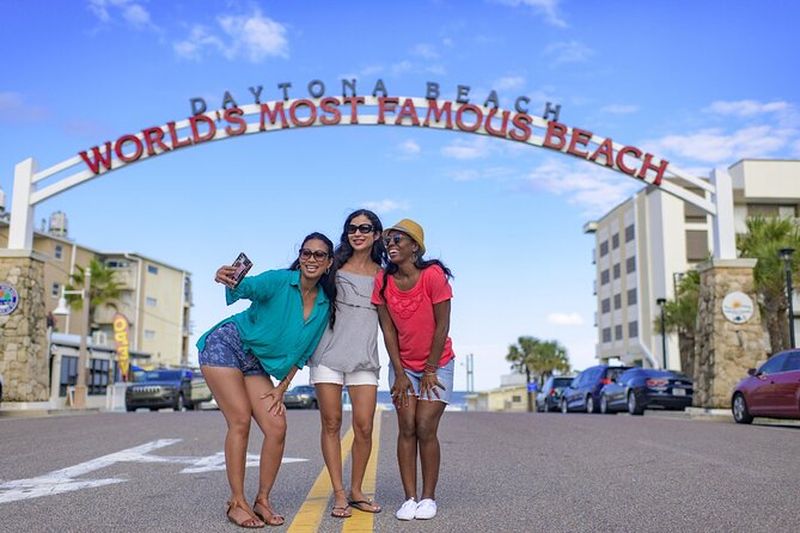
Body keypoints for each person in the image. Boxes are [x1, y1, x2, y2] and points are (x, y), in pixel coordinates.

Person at [196, 232, 336, 528]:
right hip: (227, 344)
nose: (311, 259)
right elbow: (248, 287)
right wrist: (229, 277)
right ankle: (237, 502)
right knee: (240, 421)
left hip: (255, 360)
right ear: (300, 257)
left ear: (328, 263)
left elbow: (304, 352)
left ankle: (262, 500)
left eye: (318, 255)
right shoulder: (279, 281)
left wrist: (281, 389)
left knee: (276, 426)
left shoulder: (324, 304)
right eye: (306, 253)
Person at [371, 219, 456, 521]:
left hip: (438, 363)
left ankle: (428, 498)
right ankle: (409, 498)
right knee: (406, 428)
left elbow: (442, 325)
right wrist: (400, 371)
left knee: (424, 427)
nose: (391, 245)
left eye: (398, 240)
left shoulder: (433, 276)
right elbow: (388, 330)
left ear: (415, 247)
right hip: (403, 366)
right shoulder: (382, 280)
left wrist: (431, 368)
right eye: (389, 241)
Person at [308, 209, 386, 518]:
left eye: (365, 228)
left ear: (376, 234)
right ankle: (339, 493)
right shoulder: (332, 268)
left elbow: (390, 321)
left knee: (364, 426)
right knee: (331, 423)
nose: (358, 233)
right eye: (352, 228)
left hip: (364, 358)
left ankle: (356, 490)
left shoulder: (383, 275)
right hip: (327, 356)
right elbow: (297, 281)